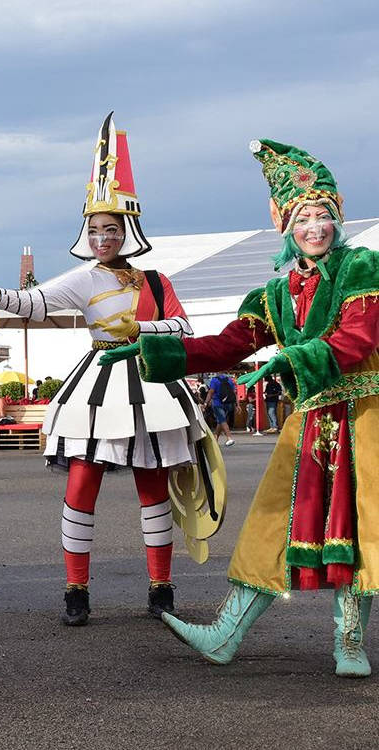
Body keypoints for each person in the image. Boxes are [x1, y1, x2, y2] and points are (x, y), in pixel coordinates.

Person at [102, 138, 379, 677]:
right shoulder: (273, 295)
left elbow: (359, 339)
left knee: (363, 525)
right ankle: (226, 633)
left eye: (322, 215)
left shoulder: (361, 268)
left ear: (337, 219)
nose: (314, 227)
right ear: (286, 227)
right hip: (310, 419)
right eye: (302, 217)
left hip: (364, 416)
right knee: (271, 522)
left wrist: (288, 362)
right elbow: (227, 345)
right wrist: (158, 345)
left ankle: (350, 643)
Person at [0, 113, 207, 624]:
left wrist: (142, 331)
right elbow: (31, 301)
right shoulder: (82, 280)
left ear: (128, 230)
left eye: (111, 229)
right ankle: (76, 591)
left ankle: (161, 588)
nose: (103, 237)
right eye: (94, 230)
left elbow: (184, 327)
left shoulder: (155, 280)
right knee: (82, 483)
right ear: (85, 235)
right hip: (101, 385)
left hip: (151, 382)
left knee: (152, 487)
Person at [205, 373, 236, 446]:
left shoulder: (214, 380)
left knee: (222, 420)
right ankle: (215, 440)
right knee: (220, 421)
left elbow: (211, 392)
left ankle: (229, 438)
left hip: (217, 403)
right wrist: (237, 404)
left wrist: (206, 403)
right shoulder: (229, 379)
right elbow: (233, 393)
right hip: (228, 403)